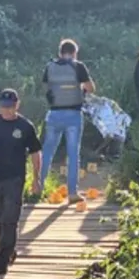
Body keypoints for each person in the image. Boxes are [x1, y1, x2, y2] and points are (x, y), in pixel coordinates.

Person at [0, 89, 43, 275]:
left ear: (17, 105)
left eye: (11, 107)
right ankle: (9, 246)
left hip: (15, 179)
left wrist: (36, 179)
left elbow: (36, 153)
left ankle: (3, 259)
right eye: (4, 107)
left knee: (9, 220)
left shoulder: (25, 126)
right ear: (0, 106)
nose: (7, 110)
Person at [40, 38, 95, 205]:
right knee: (72, 154)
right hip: (73, 115)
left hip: (54, 114)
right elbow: (91, 88)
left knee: (47, 152)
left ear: (60, 52)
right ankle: (72, 193)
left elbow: (45, 88)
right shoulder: (78, 66)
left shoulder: (50, 67)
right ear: (75, 53)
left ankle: (38, 186)